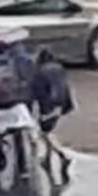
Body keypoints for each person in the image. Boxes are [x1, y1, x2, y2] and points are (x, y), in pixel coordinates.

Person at [30, 50, 74, 186]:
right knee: (48, 131)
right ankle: (48, 158)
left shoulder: (39, 72)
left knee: (45, 133)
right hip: (63, 104)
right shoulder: (58, 68)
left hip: (50, 105)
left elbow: (37, 92)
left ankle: (63, 155)